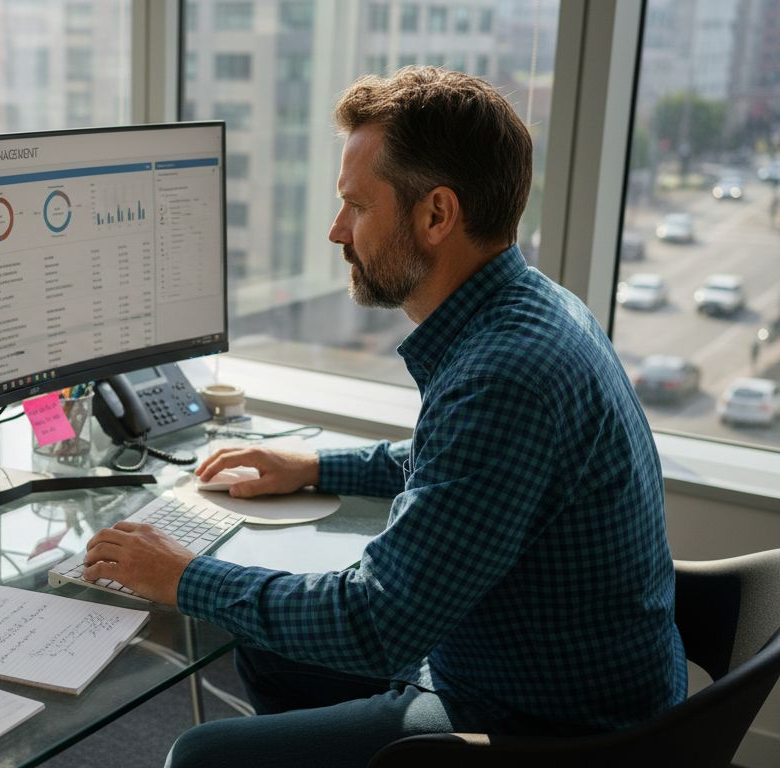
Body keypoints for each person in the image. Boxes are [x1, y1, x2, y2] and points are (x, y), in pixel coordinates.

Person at [82, 67, 686, 768]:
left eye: (357, 207)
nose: (337, 230)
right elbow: (460, 465)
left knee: (200, 756)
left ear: (436, 215)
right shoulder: (535, 309)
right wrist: (313, 465)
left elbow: (376, 627)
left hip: (544, 727)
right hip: (580, 679)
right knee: (272, 654)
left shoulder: (504, 377)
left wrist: (181, 576)